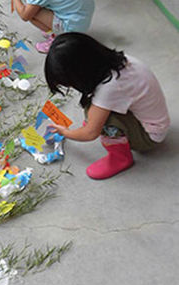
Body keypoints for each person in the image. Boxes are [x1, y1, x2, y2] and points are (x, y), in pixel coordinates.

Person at [45, 32, 170, 180]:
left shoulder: (109, 89)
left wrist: (65, 132)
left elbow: (90, 133)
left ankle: (120, 158)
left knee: (102, 120)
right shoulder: (119, 62)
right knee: (94, 110)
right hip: (156, 120)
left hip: (150, 136)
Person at [12, 0, 94, 53]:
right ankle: (55, 30)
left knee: (32, 13)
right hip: (82, 18)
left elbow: (25, 15)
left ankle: (57, 38)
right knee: (37, 5)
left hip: (72, 28)